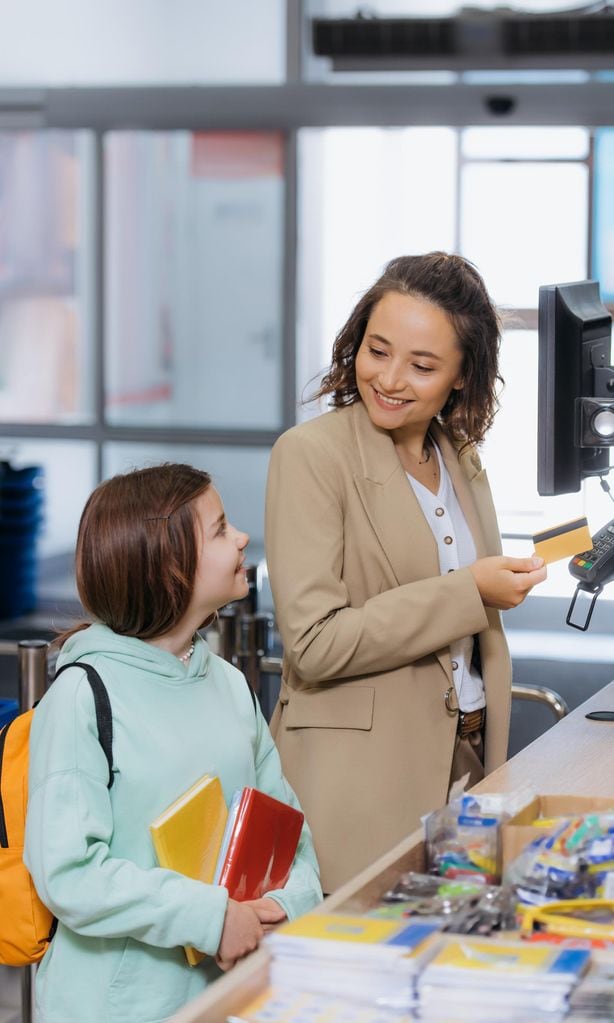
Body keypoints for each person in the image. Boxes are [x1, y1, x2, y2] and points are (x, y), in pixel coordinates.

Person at [265, 252, 547, 893]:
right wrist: (470, 591)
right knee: (359, 973)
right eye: (377, 350)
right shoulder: (311, 455)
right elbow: (313, 646)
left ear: (461, 377)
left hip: (467, 752)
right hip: (362, 775)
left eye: (422, 366)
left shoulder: (460, 455)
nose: (390, 379)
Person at [24, 464, 321, 1023]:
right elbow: (69, 873)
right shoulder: (82, 696)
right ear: (166, 566)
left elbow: (288, 829)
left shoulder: (230, 684)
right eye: (220, 529)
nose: (240, 539)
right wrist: (211, 917)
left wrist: (285, 906)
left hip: (233, 995)